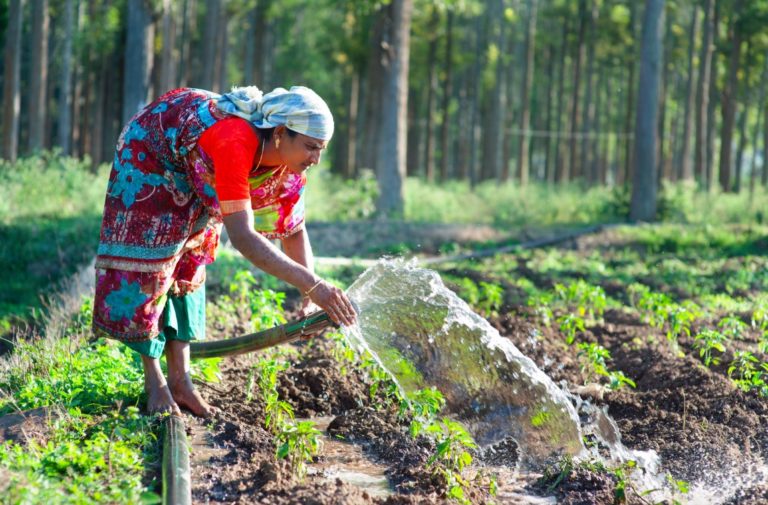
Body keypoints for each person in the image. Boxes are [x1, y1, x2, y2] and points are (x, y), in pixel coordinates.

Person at [92, 85, 357, 418]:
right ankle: (154, 382)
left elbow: (292, 228)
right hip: (153, 152)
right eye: (310, 147)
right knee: (153, 259)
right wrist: (313, 285)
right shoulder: (235, 141)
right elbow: (243, 237)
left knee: (193, 257)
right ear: (279, 134)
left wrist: (309, 295)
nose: (316, 159)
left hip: (197, 162)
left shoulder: (291, 169)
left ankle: (181, 381)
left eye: (321, 149)